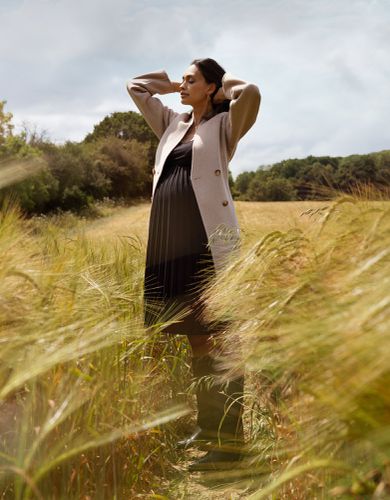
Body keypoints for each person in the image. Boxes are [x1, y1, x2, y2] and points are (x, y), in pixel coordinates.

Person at [126, 58, 261, 470]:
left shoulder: (224, 127)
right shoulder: (171, 122)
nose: (184, 85)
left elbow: (251, 92)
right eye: (183, 79)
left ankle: (230, 441)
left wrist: (221, 90)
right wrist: (171, 86)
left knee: (218, 338)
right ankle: (209, 427)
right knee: (195, 337)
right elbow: (135, 87)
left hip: (207, 241)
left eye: (192, 80)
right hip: (172, 242)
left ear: (211, 87)